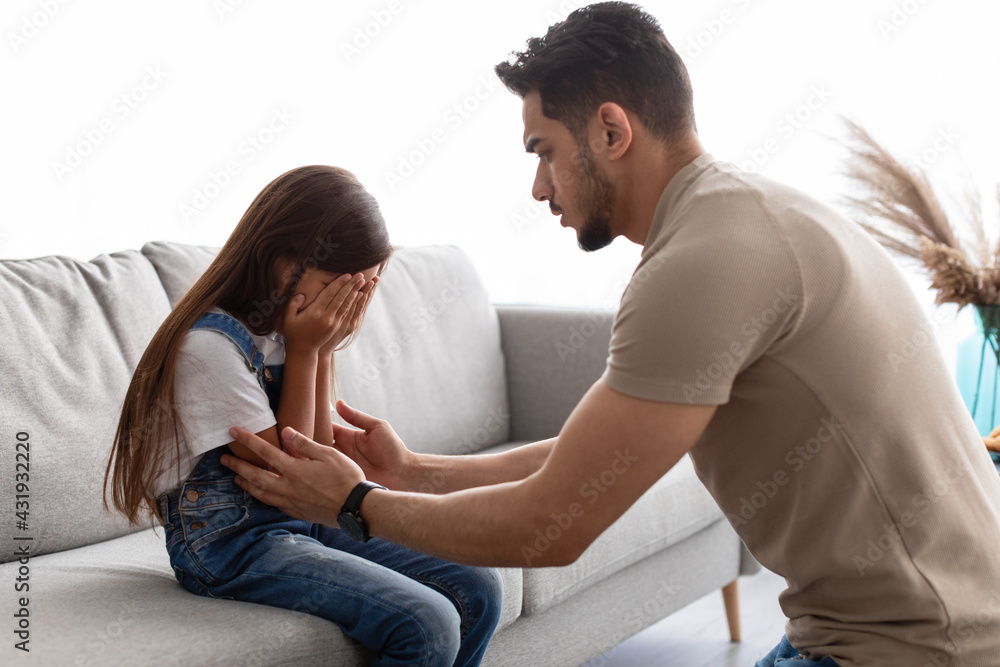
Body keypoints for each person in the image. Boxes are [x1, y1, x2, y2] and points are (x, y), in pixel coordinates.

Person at [220, 5, 1000, 667]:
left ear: (612, 131)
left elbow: (551, 524)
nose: (537, 186)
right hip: (893, 628)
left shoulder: (704, 263)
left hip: (916, 646)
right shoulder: (738, 217)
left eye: (543, 151)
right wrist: (412, 470)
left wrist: (352, 502)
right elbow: (586, 460)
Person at [103, 165, 502, 667]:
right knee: (426, 621)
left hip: (304, 520)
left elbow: (318, 470)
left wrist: (322, 348)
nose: (353, 301)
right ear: (281, 261)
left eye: (367, 288)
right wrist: (309, 348)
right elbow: (288, 479)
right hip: (230, 546)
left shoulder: (281, 336)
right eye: (344, 284)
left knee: (478, 587)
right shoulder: (210, 348)